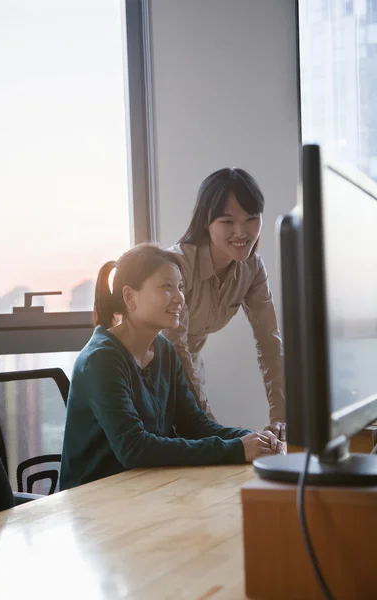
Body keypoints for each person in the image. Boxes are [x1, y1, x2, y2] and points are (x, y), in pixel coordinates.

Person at [60, 244, 283, 490]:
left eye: (180, 287)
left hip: (144, 488)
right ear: (129, 297)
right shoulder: (101, 359)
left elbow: (195, 425)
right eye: (167, 287)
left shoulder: (164, 350)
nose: (179, 298)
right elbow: (134, 448)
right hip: (95, 500)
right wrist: (236, 449)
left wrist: (251, 438)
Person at [163, 168, 286, 440]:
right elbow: (175, 347)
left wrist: (281, 418)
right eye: (227, 221)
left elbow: (269, 341)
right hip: (149, 372)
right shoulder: (177, 265)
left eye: (251, 219)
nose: (241, 232)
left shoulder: (252, 268)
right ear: (206, 221)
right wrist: (211, 427)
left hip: (189, 367)